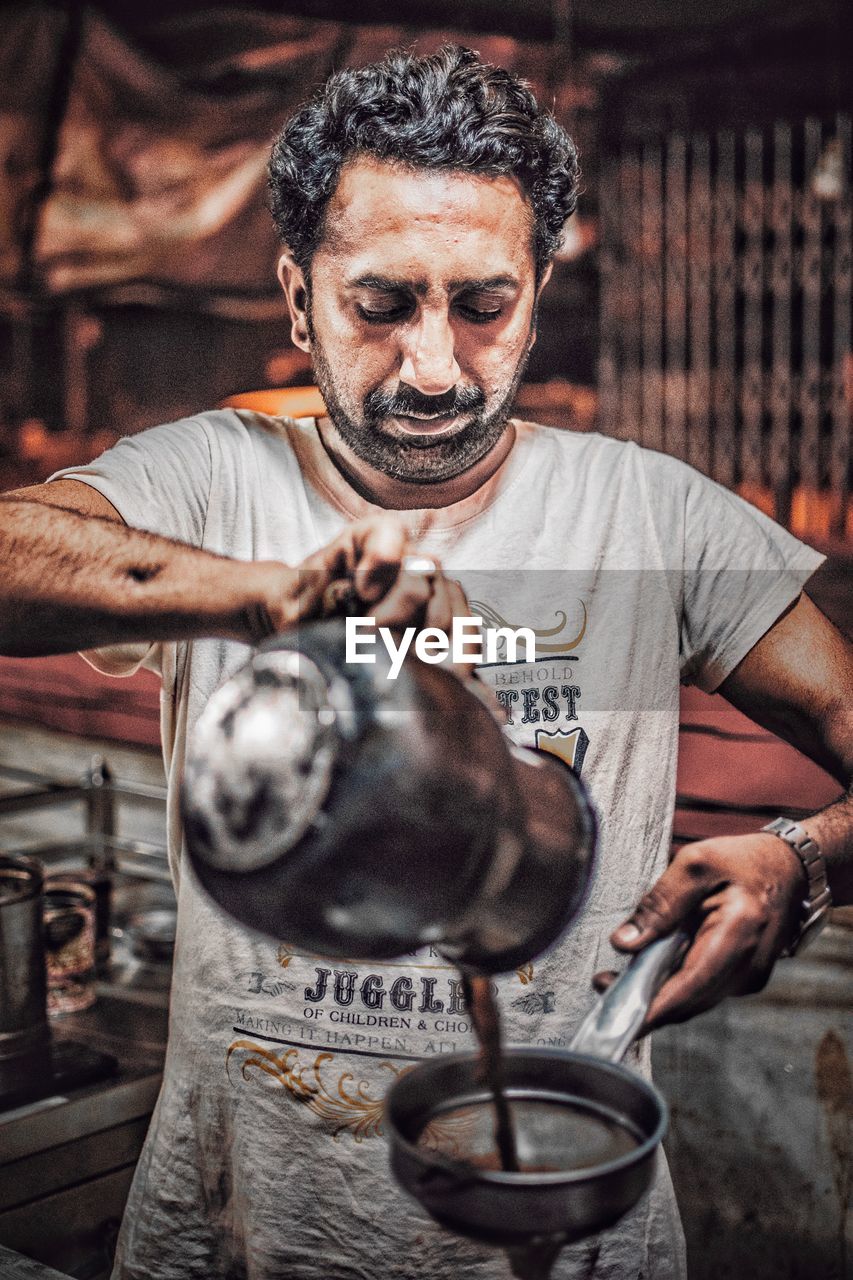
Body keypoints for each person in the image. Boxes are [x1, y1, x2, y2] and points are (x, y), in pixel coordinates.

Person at [1, 45, 851, 1280]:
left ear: (539, 289)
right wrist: (265, 598)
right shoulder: (213, 479)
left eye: (483, 305)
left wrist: (804, 859)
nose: (436, 368)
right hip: (234, 1238)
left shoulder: (648, 520)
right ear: (298, 299)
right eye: (382, 303)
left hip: (567, 1242)